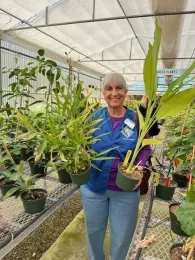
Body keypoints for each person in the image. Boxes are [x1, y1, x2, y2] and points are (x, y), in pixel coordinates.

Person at [80, 73, 151, 260]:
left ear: (126, 92)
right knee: (94, 233)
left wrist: (140, 168)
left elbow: (145, 147)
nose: (114, 93)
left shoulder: (136, 118)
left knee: (122, 238)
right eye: (109, 88)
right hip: (94, 188)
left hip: (126, 190)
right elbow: (82, 144)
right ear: (103, 93)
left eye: (119, 88)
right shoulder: (93, 118)